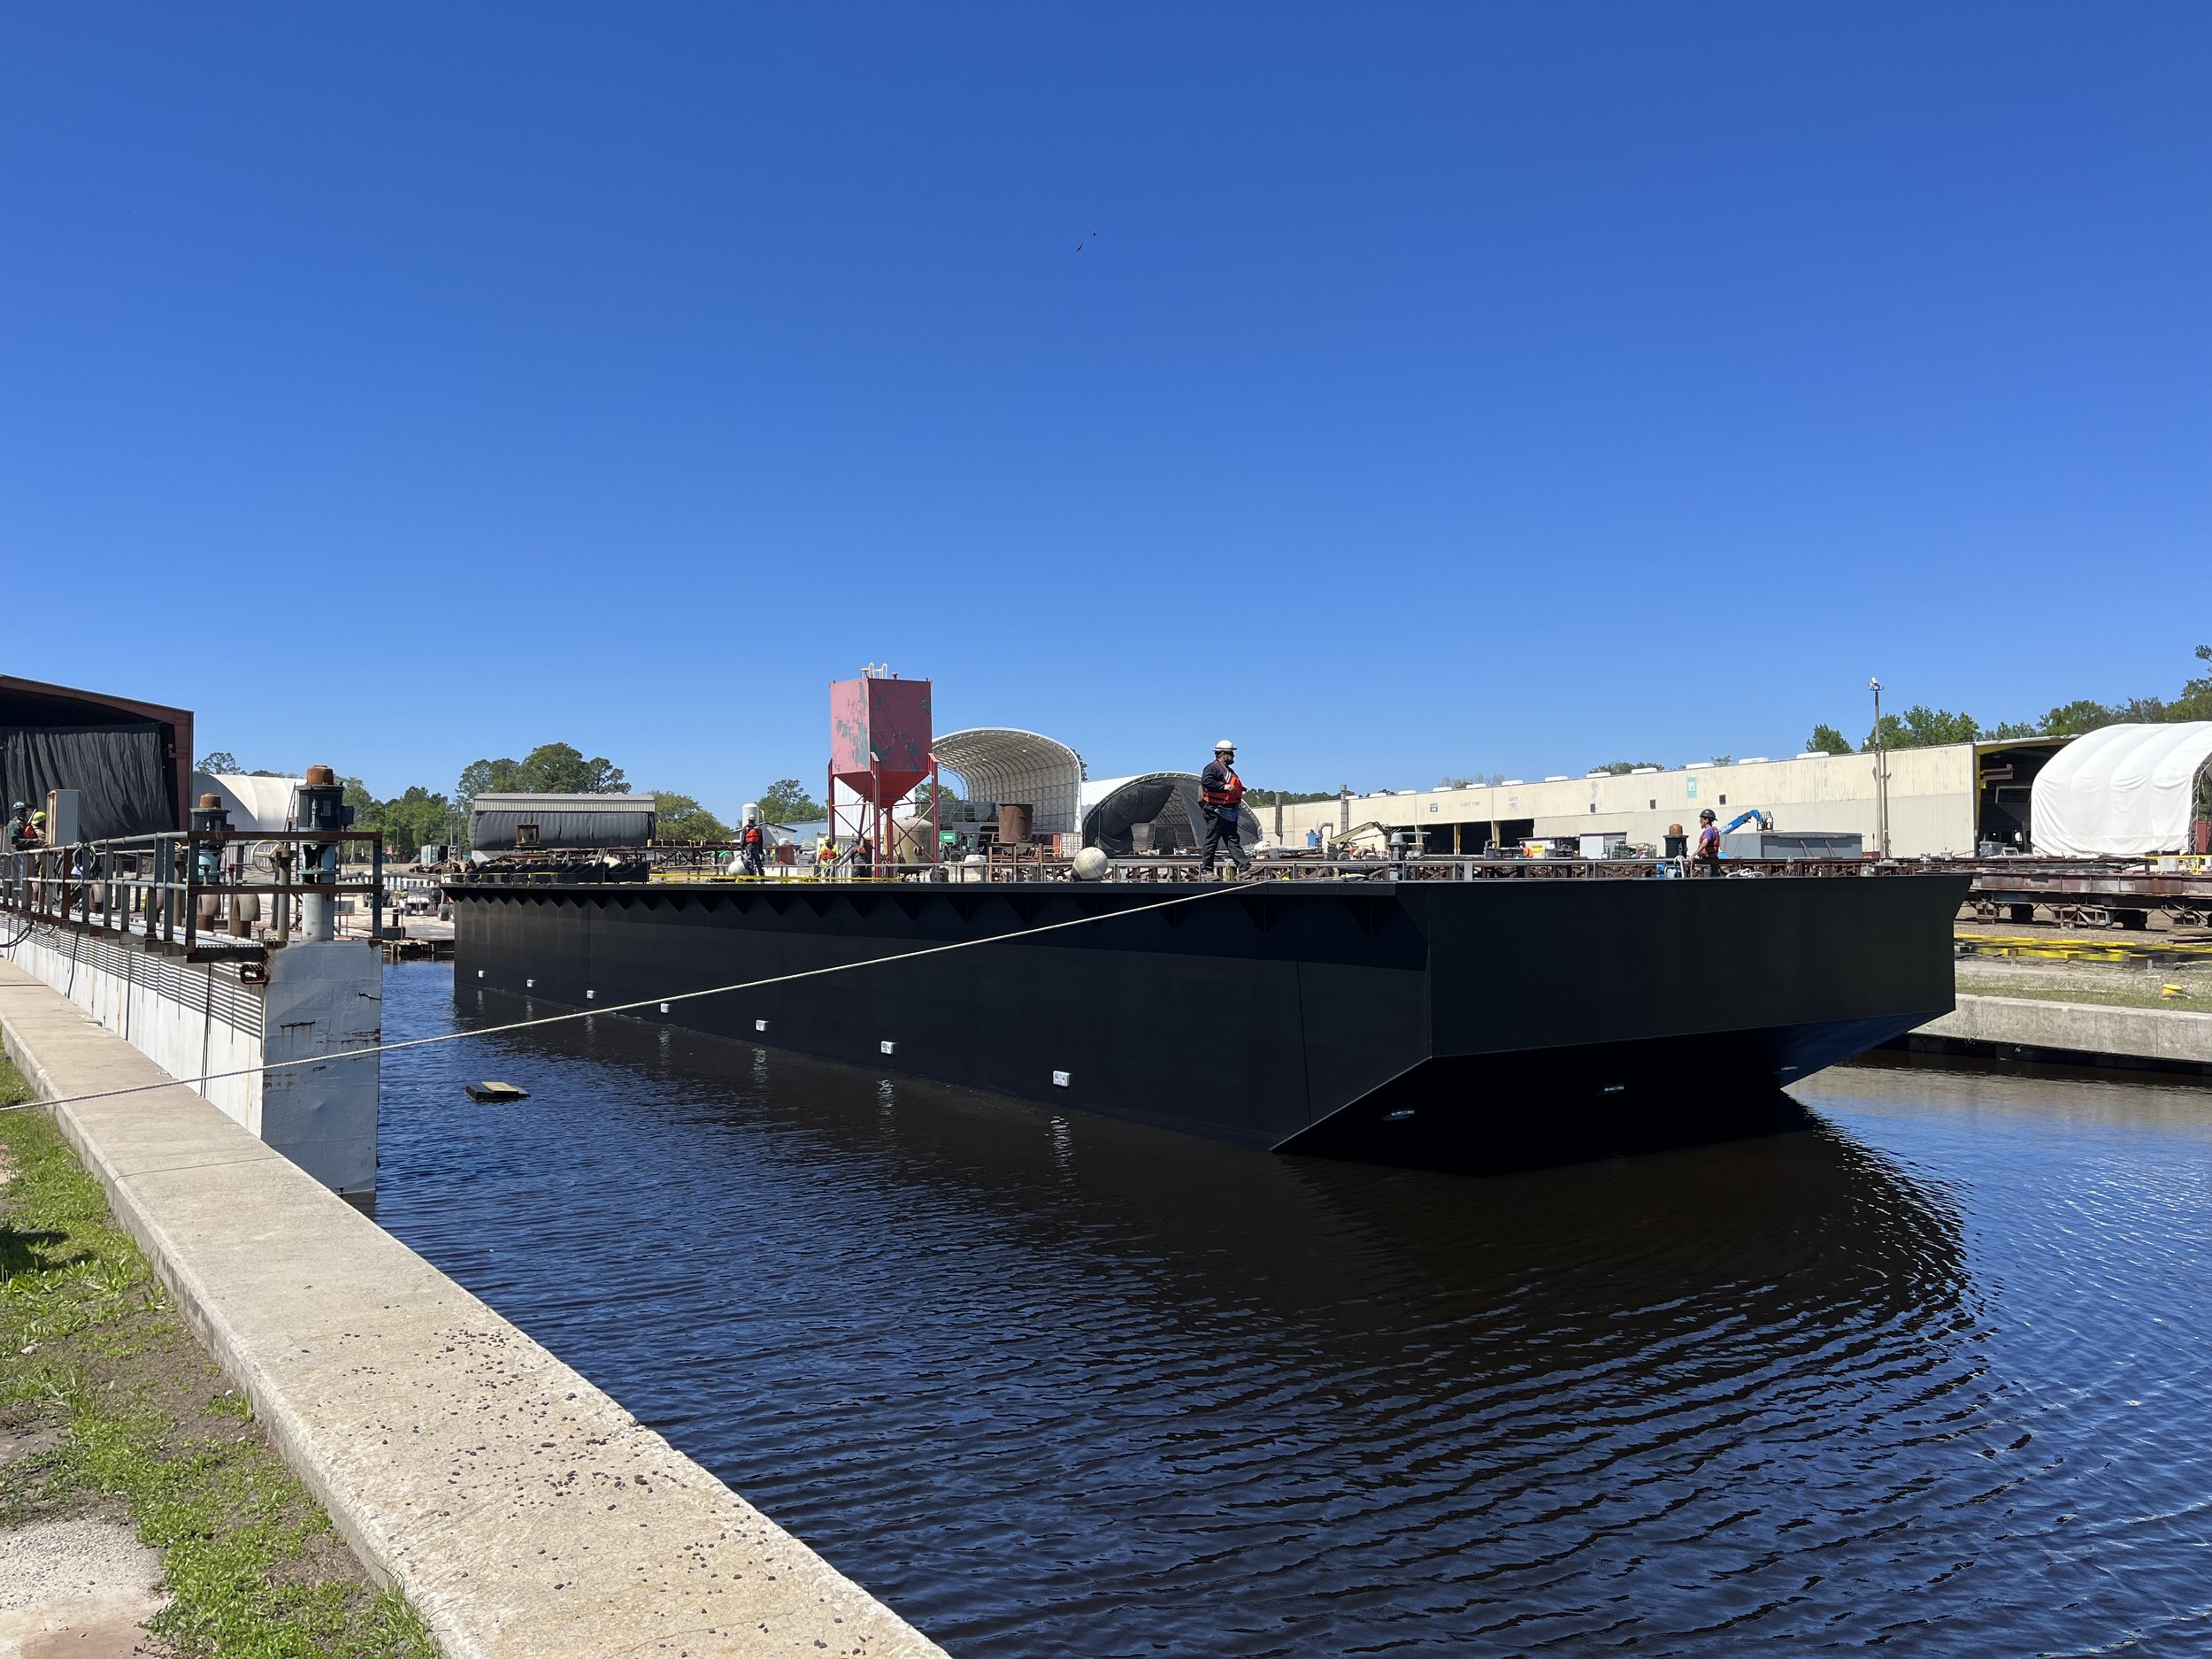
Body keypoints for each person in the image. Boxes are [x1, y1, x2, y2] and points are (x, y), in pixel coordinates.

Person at [1198, 739, 1251, 876]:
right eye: (1231, 754)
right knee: (1212, 841)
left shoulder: (1228, 770)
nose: (1233, 757)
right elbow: (1206, 781)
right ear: (1222, 754)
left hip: (1228, 811)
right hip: (1216, 810)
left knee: (1233, 840)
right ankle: (1206, 870)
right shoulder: (1213, 768)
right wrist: (1223, 787)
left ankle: (1245, 868)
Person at [739, 808, 768, 877]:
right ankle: (762, 876)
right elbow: (761, 840)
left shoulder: (745, 828)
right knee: (758, 861)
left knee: (750, 862)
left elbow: (742, 840)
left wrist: (743, 848)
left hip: (748, 847)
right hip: (756, 847)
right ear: (754, 820)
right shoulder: (758, 828)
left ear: (748, 820)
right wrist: (761, 850)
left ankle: (751, 876)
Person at [1694, 807, 1722, 875]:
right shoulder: (1712, 830)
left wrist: (1693, 855)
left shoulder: (1709, 831)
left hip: (1708, 862)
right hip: (1713, 860)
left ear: (1706, 820)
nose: (1700, 821)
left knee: (1708, 883)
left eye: (1701, 819)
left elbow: (1704, 843)